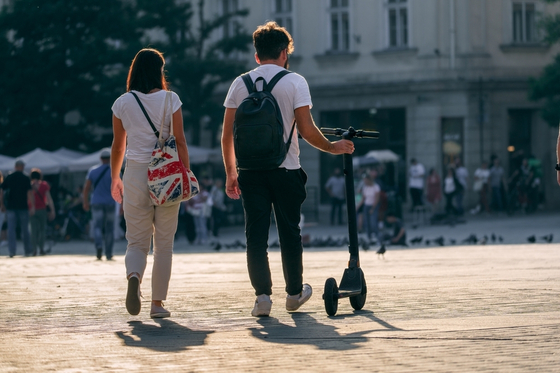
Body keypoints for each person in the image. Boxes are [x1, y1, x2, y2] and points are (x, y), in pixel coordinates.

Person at [221, 21, 354, 317]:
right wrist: (333, 147)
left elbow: (227, 134)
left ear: (257, 56)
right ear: (284, 52)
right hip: (286, 168)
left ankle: (262, 298)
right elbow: (306, 129)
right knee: (289, 233)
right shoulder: (295, 82)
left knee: (255, 235)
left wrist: (231, 172)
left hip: (250, 172)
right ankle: (294, 294)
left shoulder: (239, 84)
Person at [110, 48, 191, 319]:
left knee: (136, 241)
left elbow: (118, 146)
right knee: (164, 242)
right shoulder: (171, 99)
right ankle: (157, 305)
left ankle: (134, 276)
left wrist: (114, 178)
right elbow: (180, 140)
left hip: (134, 173)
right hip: (166, 173)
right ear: (159, 71)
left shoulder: (123, 102)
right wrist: (185, 173)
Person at [83, 149, 115, 260]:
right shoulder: (114, 171)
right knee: (109, 228)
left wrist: (85, 202)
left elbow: (86, 188)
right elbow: (121, 188)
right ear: (110, 158)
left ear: (101, 159)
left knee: (97, 226)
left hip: (96, 202)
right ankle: (109, 253)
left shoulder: (93, 171)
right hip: (111, 202)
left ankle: (99, 246)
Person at [0, 159, 34, 257]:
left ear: (15, 166)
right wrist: (32, 206)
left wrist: (2, 204)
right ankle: (27, 250)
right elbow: (29, 193)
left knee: (11, 230)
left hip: (11, 207)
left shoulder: (10, 177)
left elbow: (1, 191)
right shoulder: (26, 177)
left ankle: (12, 251)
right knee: (25, 230)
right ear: (22, 167)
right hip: (23, 206)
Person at [29, 168, 55, 256]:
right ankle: (41, 248)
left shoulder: (30, 185)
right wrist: (52, 210)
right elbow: (49, 198)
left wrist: (31, 207)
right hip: (42, 209)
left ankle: (34, 250)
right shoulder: (44, 185)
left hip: (32, 209)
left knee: (33, 230)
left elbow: (28, 197)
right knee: (42, 230)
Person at [357, 172, 381, 242]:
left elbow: (377, 198)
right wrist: (358, 206)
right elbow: (363, 198)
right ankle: (369, 237)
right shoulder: (365, 187)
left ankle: (377, 236)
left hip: (373, 205)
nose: (365, 182)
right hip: (366, 205)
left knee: (373, 222)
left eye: (365, 180)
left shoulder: (376, 187)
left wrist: (373, 208)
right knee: (367, 222)